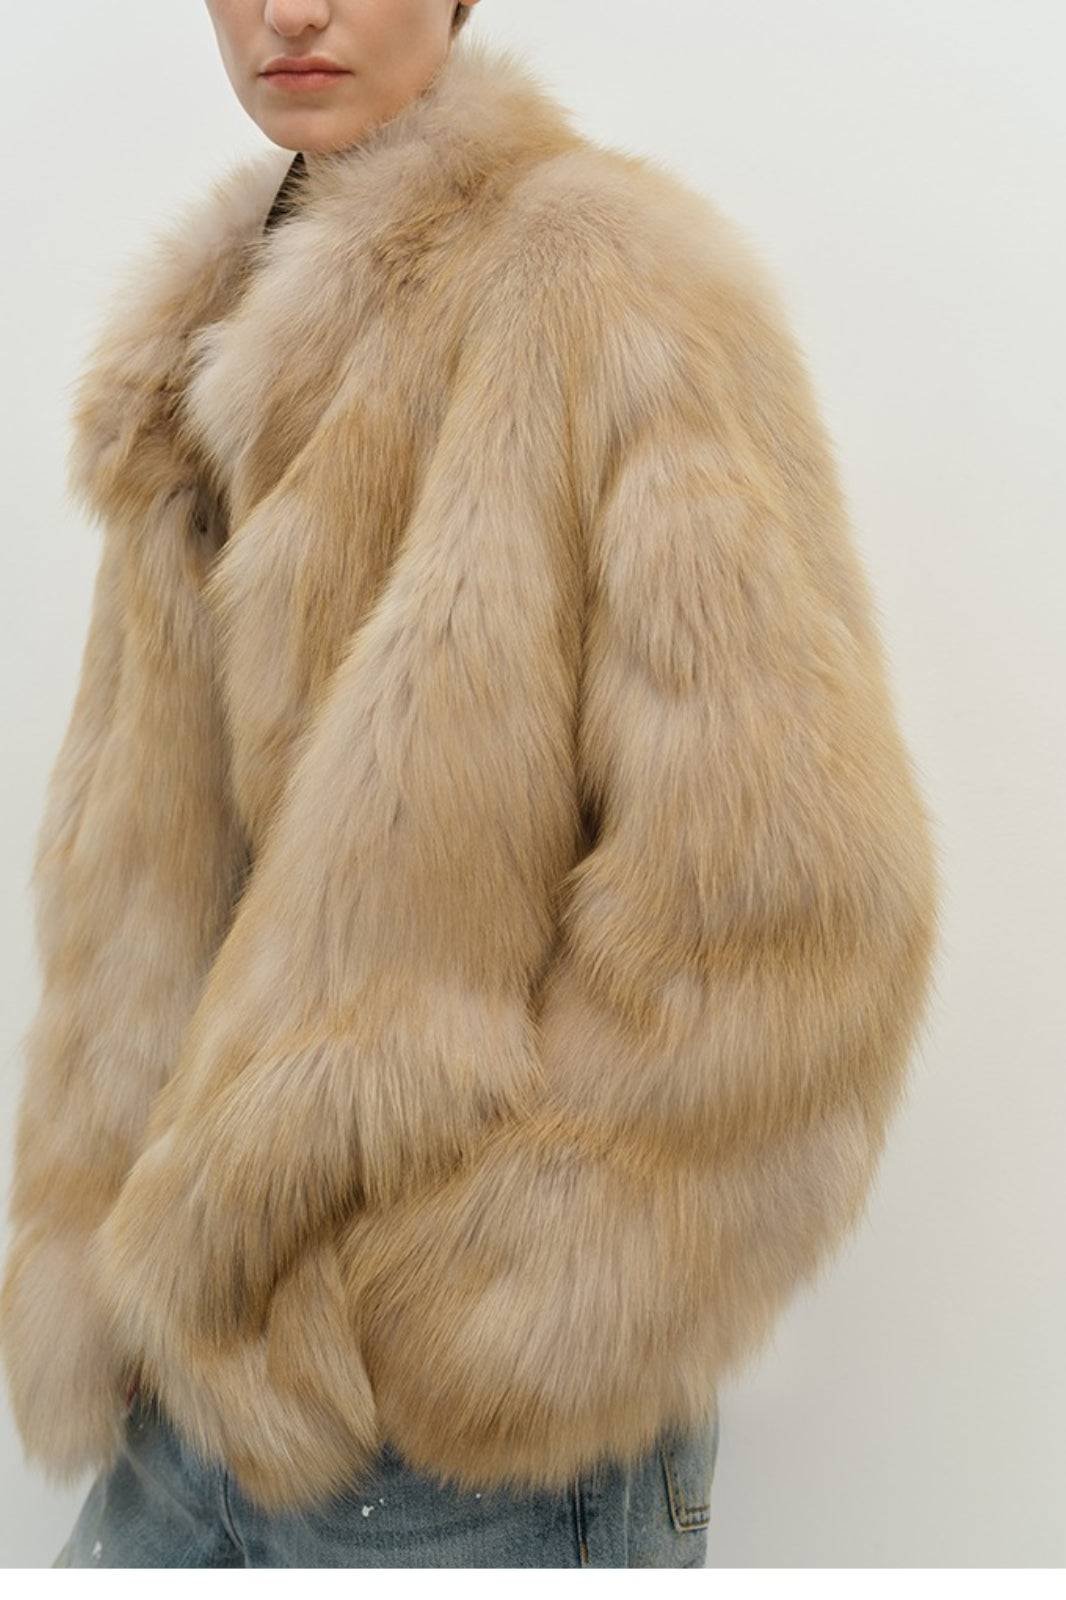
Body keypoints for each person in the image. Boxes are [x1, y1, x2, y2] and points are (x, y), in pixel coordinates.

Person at [0, 0, 938, 1570]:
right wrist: (120, 1250)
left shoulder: (600, 285)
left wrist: (484, 1317)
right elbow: (174, 874)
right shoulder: (208, 335)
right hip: (182, 1382)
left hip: (446, 1441)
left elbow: (792, 895)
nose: (290, 12)